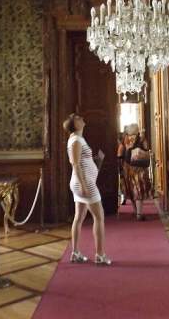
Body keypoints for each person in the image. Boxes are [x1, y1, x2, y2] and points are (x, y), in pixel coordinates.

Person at [64, 113, 111, 265]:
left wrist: (94, 162)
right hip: (84, 184)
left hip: (82, 182)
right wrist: (84, 185)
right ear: (75, 124)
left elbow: (82, 161)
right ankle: (100, 255)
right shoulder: (76, 140)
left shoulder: (77, 138)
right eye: (78, 118)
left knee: (79, 217)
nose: (82, 119)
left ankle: (75, 253)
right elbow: (75, 164)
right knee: (99, 217)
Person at [117, 123, 153, 220]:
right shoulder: (142, 139)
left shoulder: (125, 140)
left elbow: (119, 154)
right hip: (140, 169)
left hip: (128, 168)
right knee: (139, 190)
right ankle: (139, 214)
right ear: (137, 130)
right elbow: (147, 150)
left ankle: (136, 211)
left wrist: (121, 168)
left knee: (131, 190)